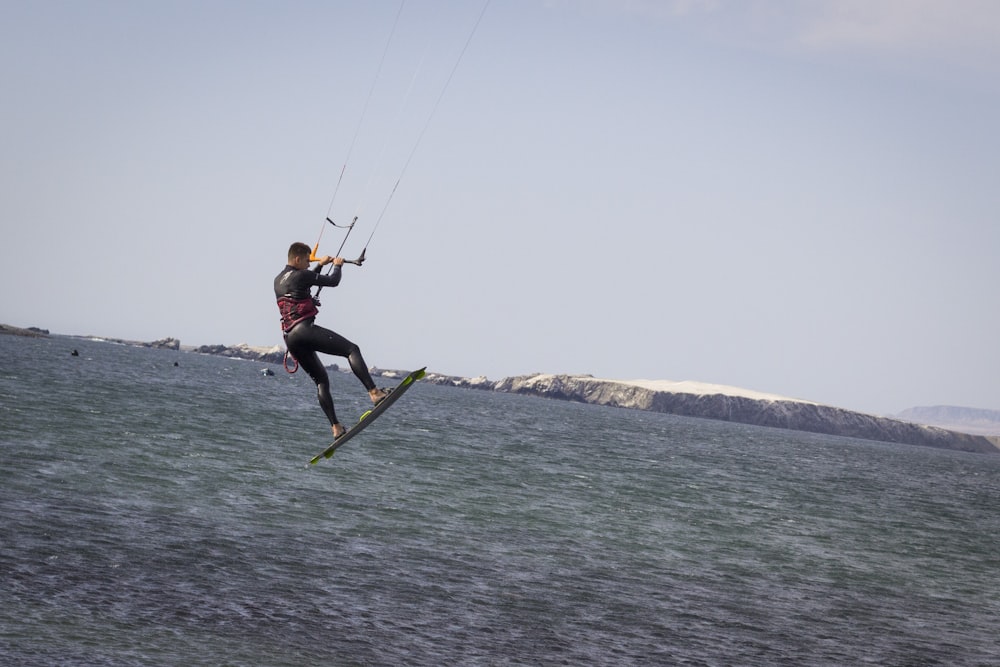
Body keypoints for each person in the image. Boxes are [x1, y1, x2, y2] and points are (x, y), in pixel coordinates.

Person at [274, 242, 387, 439]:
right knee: (352, 350)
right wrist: (337, 265)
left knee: (321, 381)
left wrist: (320, 265)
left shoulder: (278, 280)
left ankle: (336, 427)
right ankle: (374, 392)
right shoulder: (302, 274)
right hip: (304, 330)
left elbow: (302, 282)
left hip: (290, 338)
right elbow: (332, 281)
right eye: (308, 261)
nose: (310, 264)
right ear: (298, 259)